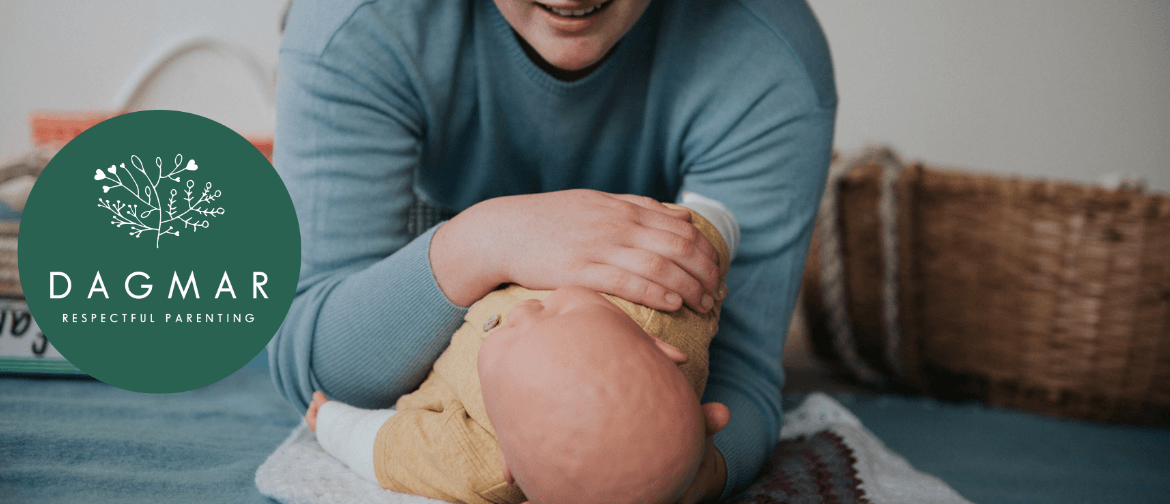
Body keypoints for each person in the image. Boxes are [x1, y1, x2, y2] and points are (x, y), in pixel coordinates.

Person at [269, 0, 836, 500]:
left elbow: (742, 383)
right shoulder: (356, 22)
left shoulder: (769, 58)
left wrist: (690, 473)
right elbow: (312, 363)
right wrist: (486, 241)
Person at [303, 200, 734, 504]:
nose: (527, 311)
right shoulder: (664, 305)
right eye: (559, 310)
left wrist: (333, 424)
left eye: (511, 339)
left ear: (508, 464)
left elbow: (389, 448)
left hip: (416, 348)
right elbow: (693, 239)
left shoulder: (479, 461)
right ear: (656, 344)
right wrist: (716, 221)